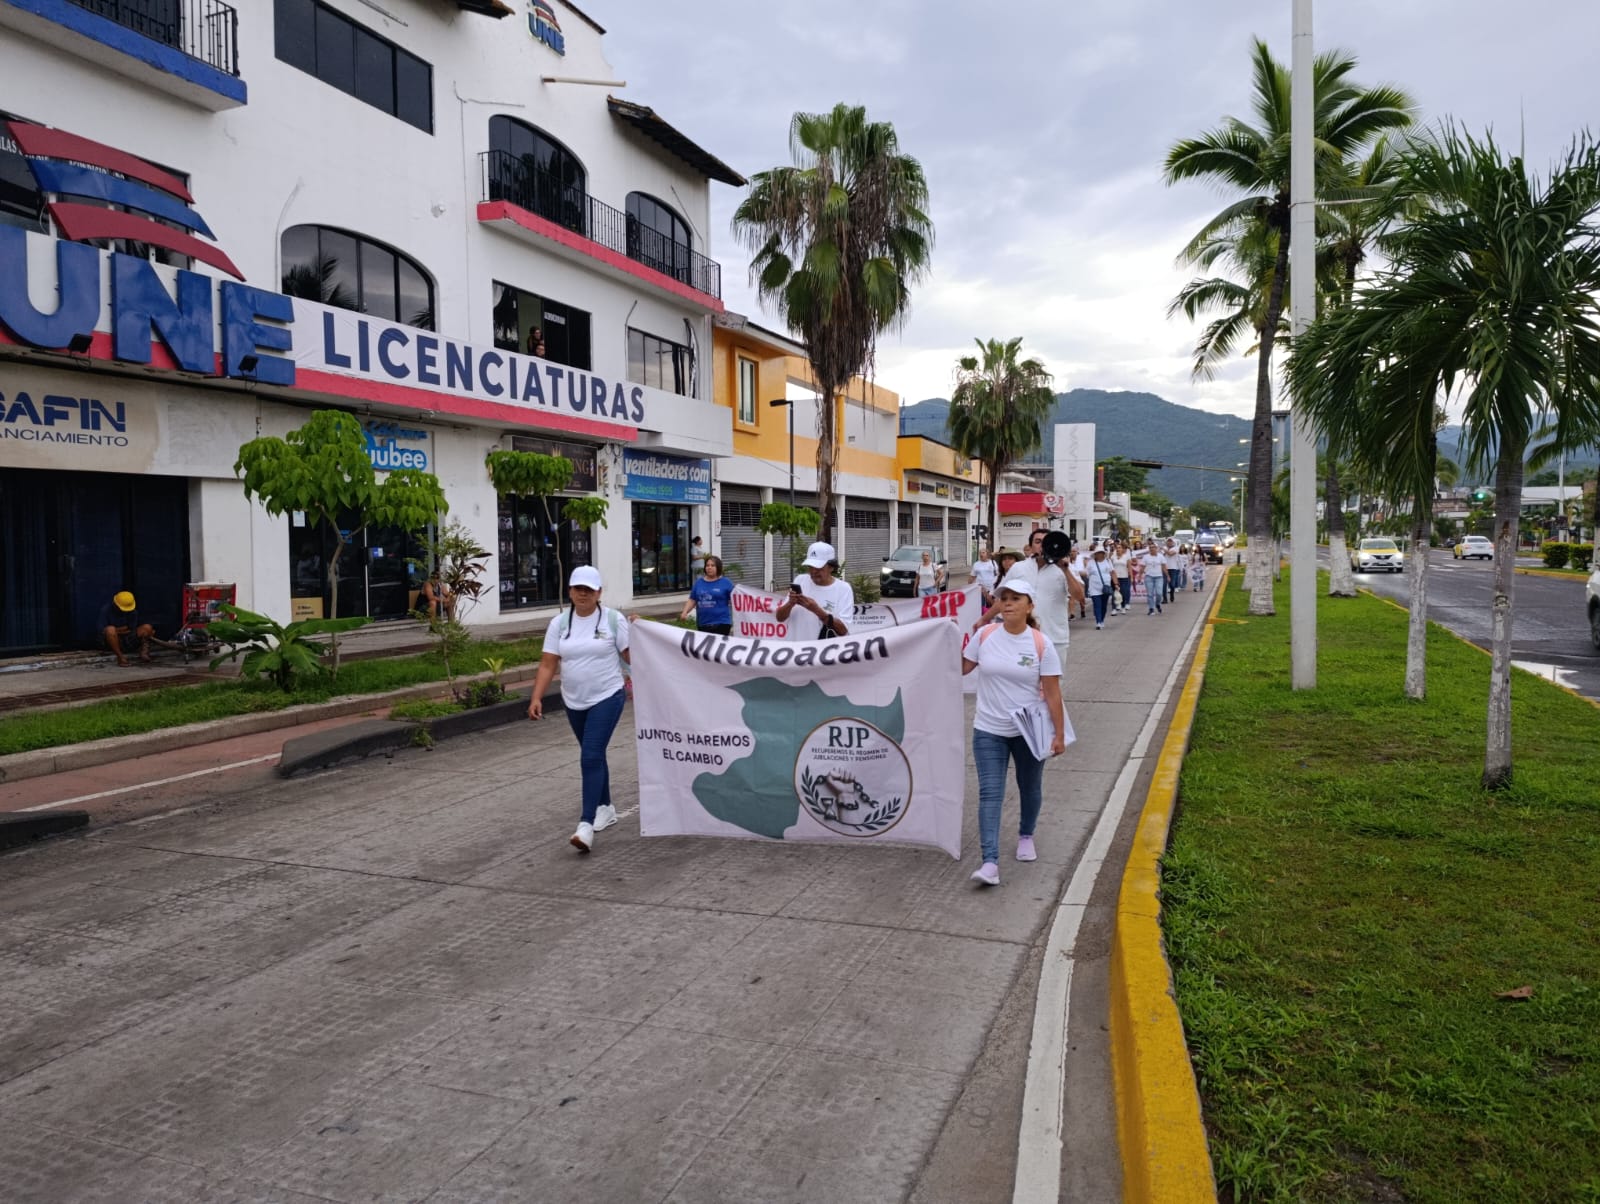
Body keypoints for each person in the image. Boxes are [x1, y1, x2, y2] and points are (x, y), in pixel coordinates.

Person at [961, 577, 1066, 886]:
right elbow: (962, 668)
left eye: (1015, 598)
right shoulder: (985, 635)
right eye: (1003, 597)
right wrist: (940, 640)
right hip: (988, 729)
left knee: (1029, 786)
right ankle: (989, 862)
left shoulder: (1041, 644)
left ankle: (1026, 834)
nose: (1007, 603)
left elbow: (1053, 693)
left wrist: (1058, 735)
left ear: (1029, 606)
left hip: (1029, 731)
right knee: (990, 793)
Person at [528, 566, 631, 854]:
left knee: (590, 755)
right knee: (593, 754)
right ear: (570, 591)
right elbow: (549, 663)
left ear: (599, 592)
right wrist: (536, 697)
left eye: (589, 589)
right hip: (573, 700)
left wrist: (642, 633)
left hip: (608, 696)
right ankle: (605, 807)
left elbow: (630, 655)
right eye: (577, 589)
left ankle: (585, 825)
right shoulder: (560, 624)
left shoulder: (613, 620)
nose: (582, 594)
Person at [776, 542, 853, 640]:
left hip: (820, 652)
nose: (813, 571)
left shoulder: (843, 589)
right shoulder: (800, 580)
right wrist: (790, 604)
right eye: (810, 566)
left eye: (818, 567)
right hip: (794, 651)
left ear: (831, 567)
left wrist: (817, 610)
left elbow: (843, 630)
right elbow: (779, 618)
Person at [680, 553, 734, 634]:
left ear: (718, 567)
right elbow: (692, 600)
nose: (709, 567)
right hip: (703, 624)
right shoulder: (699, 583)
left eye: (713, 565)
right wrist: (685, 612)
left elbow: (736, 600)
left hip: (722, 624)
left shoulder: (726, 582)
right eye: (707, 565)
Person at [99, 590, 154, 666]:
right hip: (110, 643)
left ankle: (144, 652)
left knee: (147, 628)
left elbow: (131, 628)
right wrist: (114, 632)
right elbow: (102, 631)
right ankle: (120, 657)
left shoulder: (132, 612)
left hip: (128, 640)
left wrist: (116, 631)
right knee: (110, 630)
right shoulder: (106, 610)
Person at [1085, 545, 1116, 629]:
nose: (1099, 555)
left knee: (1103, 606)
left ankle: (1102, 620)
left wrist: (1116, 584)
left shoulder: (1108, 562)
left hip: (1105, 587)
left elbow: (1112, 572)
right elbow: (1087, 574)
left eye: (1101, 553)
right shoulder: (1090, 563)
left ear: (1103, 554)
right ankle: (1098, 622)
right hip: (1094, 587)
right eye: (1097, 553)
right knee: (1097, 604)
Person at [1142, 541, 1167, 614]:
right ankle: (1151, 608)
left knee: (1159, 593)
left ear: (1156, 549)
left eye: (1153, 548)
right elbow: (1143, 567)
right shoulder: (1146, 557)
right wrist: (1140, 575)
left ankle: (1157, 604)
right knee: (1150, 594)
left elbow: (1164, 567)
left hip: (1159, 577)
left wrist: (1167, 575)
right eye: (1150, 548)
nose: (1152, 549)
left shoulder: (1160, 556)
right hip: (1149, 576)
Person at [1111, 541, 1133, 615]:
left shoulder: (1126, 557)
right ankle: (1114, 608)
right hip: (1115, 578)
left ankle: (1123, 607)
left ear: (1122, 549)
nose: (1118, 549)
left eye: (1120, 548)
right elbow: (1110, 568)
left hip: (1124, 577)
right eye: (1117, 548)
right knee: (1114, 593)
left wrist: (1131, 577)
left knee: (1123, 592)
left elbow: (1129, 568)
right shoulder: (1112, 557)